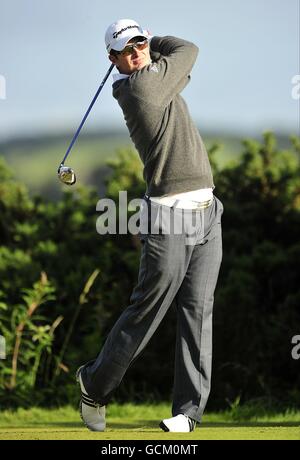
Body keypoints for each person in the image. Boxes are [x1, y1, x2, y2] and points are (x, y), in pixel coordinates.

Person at [76, 18, 224, 433]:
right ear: (114, 60)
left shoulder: (154, 77)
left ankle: (188, 413)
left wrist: (148, 43)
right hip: (169, 217)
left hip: (208, 209)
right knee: (148, 308)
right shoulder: (141, 87)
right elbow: (189, 49)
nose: (138, 51)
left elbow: (179, 59)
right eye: (128, 49)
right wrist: (158, 41)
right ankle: (94, 383)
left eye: (141, 43)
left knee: (198, 311)